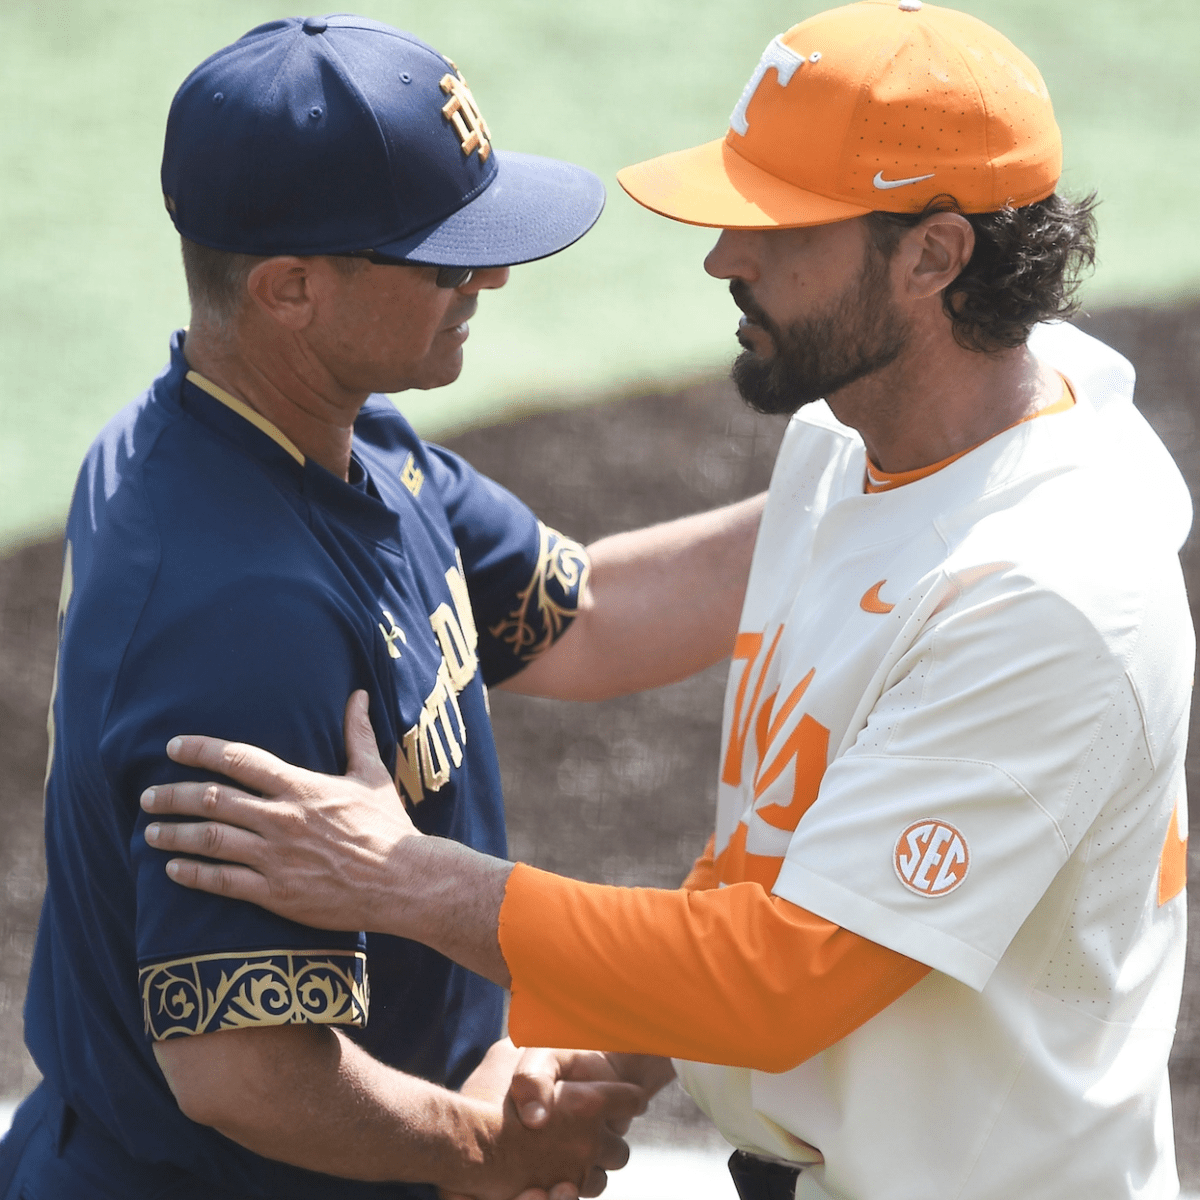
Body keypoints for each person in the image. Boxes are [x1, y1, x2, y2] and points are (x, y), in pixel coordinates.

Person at [137, 4, 1195, 1200]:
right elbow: (781, 854)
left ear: (934, 255)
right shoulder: (852, 446)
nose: (723, 258)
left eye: (775, 226)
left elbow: (784, 980)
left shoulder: (1045, 595)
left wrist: (405, 879)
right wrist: (612, 1047)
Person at [0, 14, 769, 1200]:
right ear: (291, 288)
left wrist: (875, 492)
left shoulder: (341, 441)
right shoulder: (236, 614)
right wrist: (489, 1153)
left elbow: (592, 614)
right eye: (444, 255)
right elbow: (241, 1072)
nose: (493, 278)